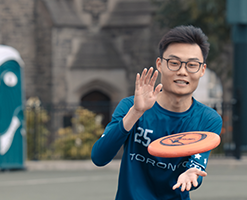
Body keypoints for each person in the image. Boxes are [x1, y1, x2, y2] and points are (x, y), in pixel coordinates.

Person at [90, 25, 222, 200]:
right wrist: (136, 112)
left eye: (192, 65)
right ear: (160, 64)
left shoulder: (208, 119)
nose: (182, 72)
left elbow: (197, 165)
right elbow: (99, 157)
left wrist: (192, 174)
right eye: (174, 63)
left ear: (202, 70)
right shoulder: (130, 106)